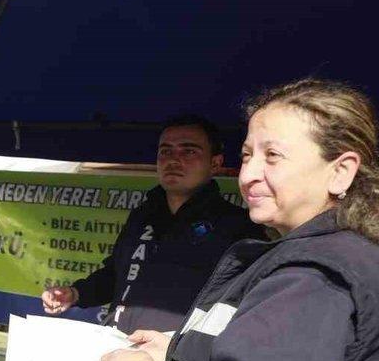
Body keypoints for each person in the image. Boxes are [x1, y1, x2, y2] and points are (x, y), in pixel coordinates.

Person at [97, 79, 379, 361]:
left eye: (272, 156)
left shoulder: (316, 276)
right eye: (247, 155)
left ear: (341, 171)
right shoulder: (326, 258)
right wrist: (180, 349)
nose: (250, 173)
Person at [41, 114, 263, 332]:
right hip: (117, 348)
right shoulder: (142, 215)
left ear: (215, 163)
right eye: (165, 151)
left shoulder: (238, 227)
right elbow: (116, 275)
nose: (174, 160)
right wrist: (76, 293)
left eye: (189, 151)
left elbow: (246, 308)